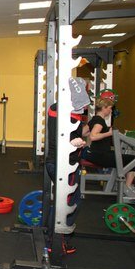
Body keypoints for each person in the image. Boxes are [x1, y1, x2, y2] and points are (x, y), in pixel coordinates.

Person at [44, 77, 91, 254]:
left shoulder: (60, 108)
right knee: (68, 204)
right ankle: (55, 242)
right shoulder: (64, 112)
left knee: (63, 201)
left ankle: (52, 239)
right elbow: (62, 135)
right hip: (64, 165)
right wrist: (73, 141)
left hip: (60, 163)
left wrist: (82, 133)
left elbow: (71, 130)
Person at [84, 98, 135, 189]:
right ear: (104, 108)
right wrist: (108, 133)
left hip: (95, 153)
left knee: (125, 159)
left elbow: (84, 133)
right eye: (110, 108)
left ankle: (125, 187)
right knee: (134, 160)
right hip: (100, 155)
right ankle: (127, 189)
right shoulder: (100, 121)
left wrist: (98, 132)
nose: (111, 111)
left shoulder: (94, 119)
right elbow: (93, 136)